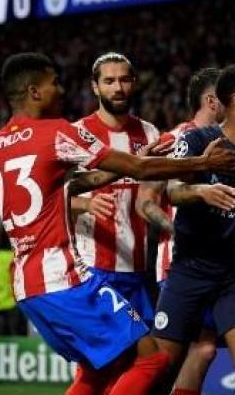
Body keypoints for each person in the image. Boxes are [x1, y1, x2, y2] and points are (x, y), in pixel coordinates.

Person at [0, 52, 235, 395]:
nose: (62, 90)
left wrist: (126, 167)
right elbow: (136, 171)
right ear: (35, 92)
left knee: (100, 373)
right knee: (151, 360)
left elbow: (62, 188)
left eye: (124, 79)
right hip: (73, 273)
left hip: (32, 280)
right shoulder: (60, 132)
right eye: (54, 84)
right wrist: (202, 161)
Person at [151, 63, 235, 395]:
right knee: (161, 366)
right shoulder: (199, 140)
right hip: (190, 269)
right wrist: (200, 191)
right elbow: (172, 190)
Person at [136, 68, 227, 394]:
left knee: (204, 350)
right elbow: (145, 202)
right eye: (228, 94)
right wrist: (176, 230)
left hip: (217, 264)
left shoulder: (230, 143)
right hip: (178, 263)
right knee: (167, 357)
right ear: (212, 101)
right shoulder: (174, 140)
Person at [72, 52, 161, 330]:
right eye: (109, 81)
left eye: (124, 80)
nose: (117, 88)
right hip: (94, 266)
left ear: (134, 83)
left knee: (149, 358)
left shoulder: (149, 133)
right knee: (109, 357)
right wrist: (86, 205)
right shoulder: (75, 135)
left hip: (140, 268)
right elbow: (49, 198)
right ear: (95, 87)